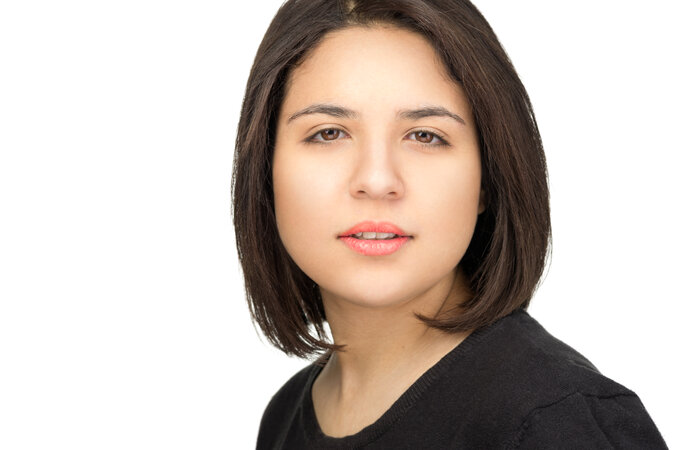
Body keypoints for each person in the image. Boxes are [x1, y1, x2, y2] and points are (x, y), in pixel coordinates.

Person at [231, 0, 668, 448]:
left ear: (487, 178)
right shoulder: (285, 417)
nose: (377, 180)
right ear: (265, 168)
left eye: (425, 136)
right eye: (329, 133)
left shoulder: (557, 421)